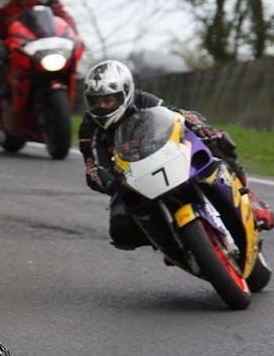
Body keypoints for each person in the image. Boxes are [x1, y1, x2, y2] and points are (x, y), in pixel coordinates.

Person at [79, 60, 274, 251]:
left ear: (125, 93)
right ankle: (170, 243)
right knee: (121, 232)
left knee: (218, 142)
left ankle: (251, 199)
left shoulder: (143, 100)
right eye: (96, 101)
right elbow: (92, 164)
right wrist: (106, 180)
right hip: (128, 176)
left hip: (163, 152)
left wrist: (200, 126)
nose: (103, 106)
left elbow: (177, 114)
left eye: (108, 99)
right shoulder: (89, 126)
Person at [0, 0, 77, 114]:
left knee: (67, 62)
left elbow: (61, 15)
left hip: (39, 41)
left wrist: (73, 37)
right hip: (4, 42)